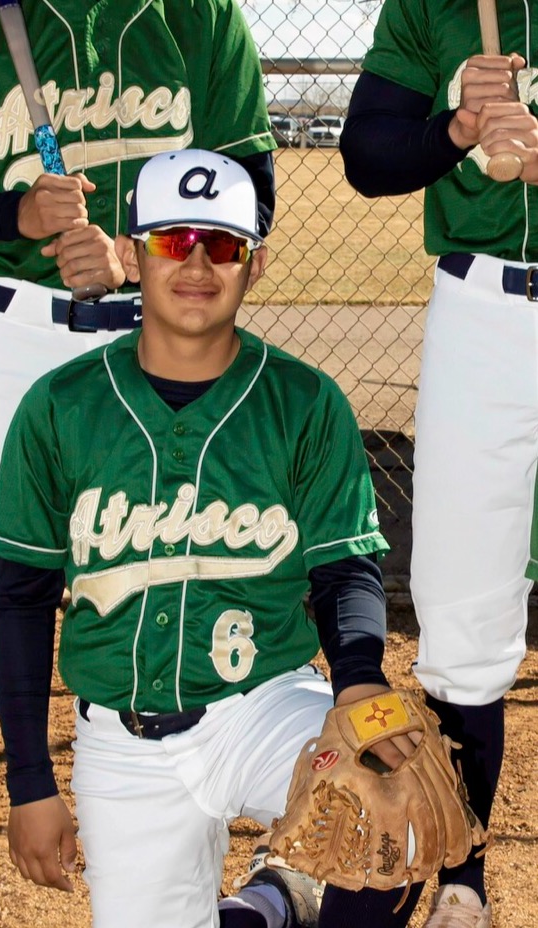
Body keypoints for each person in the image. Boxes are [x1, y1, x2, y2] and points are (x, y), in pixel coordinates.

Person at [0, 3, 276, 926]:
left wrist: (138, 255)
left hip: (157, 336)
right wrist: (12, 213)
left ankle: (198, 871)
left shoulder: (200, 14)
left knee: (185, 590)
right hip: (16, 335)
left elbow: (250, 187)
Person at [0, 148, 425, 928]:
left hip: (262, 704)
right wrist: (29, 783)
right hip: (122, 742)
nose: (195, 264)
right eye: (172, 240)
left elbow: (344, 565)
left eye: (221, 245)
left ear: (254, 264)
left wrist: (357, 680)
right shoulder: (60, 405)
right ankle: (270, 904)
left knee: (393, 815)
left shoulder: (302, 401)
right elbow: (18, 600)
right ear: (132, 255)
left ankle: (281, 897)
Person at [339, 4, 538, 927]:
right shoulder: (429, 6)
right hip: (482, 311)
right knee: (463, 607)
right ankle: (463, 876)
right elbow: (366, 157)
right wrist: (457, 128)